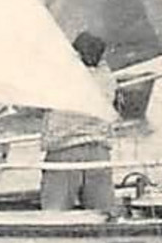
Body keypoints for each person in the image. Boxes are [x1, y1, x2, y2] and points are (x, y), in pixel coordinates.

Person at [40, 32, 118, 213]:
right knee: (103, 213)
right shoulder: (107, 79)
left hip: (65, 151)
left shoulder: (62, 78)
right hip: (99, 152)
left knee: (54, 213)